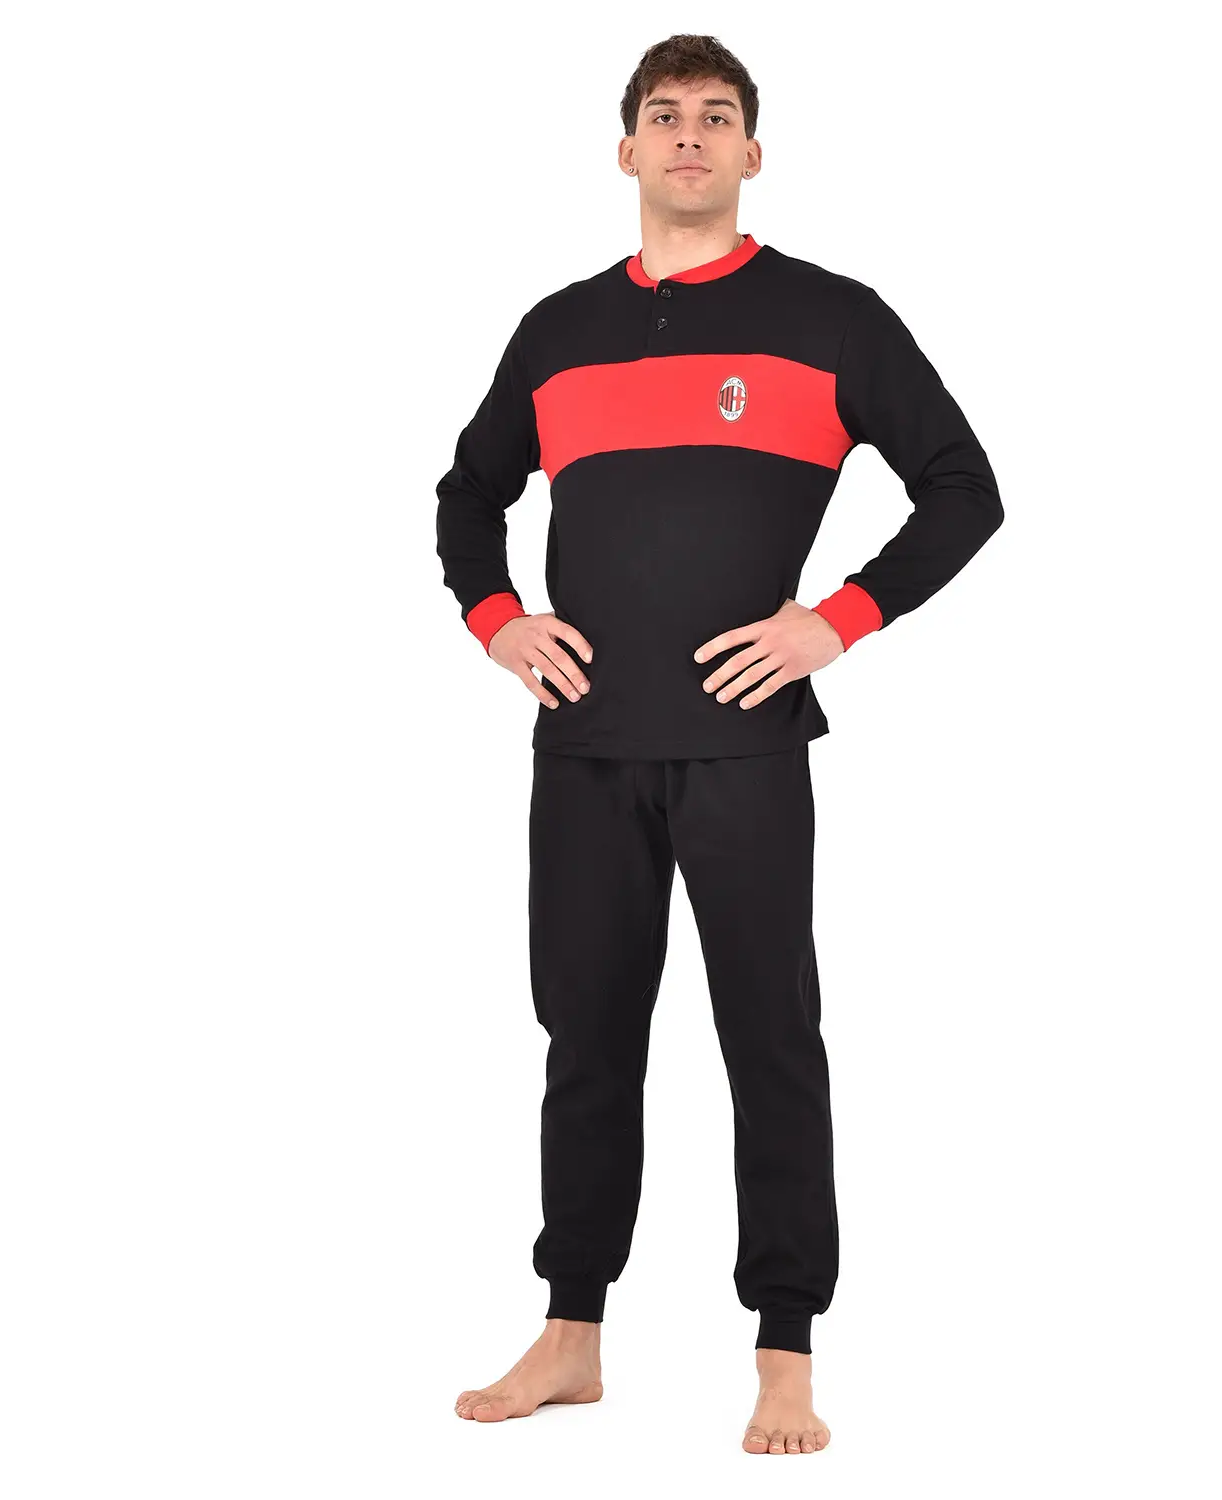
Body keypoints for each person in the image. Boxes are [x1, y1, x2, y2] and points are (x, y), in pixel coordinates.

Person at [435, 33, 1003, 1455]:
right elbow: (467, 492)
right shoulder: (557, 331)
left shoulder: (833, 319)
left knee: (770, 1039)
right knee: (584, 1040)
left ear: (754, 152)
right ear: (625, 150)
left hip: (747, 747)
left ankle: (786, 1348)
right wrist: (497, 618)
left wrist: (838, 620)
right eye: (664, 114)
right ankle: (572, 1332)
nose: (689, 134)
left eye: (717, 115)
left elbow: (963, 487)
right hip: (583, 746)